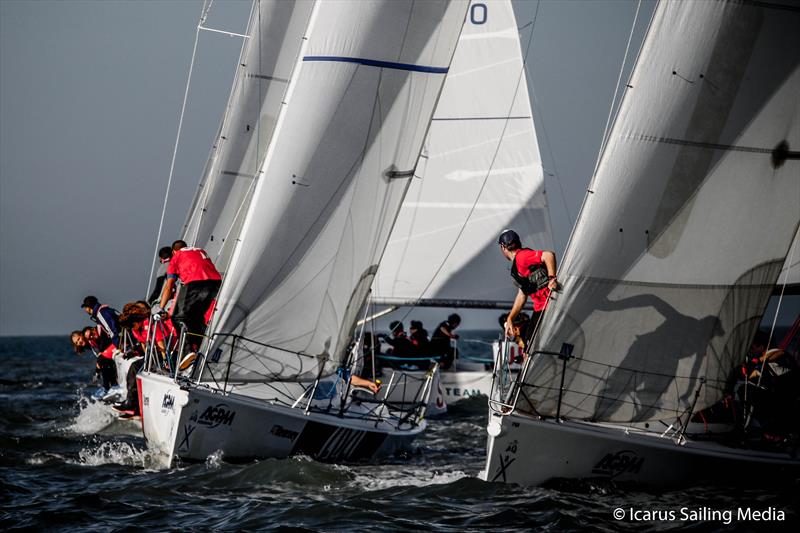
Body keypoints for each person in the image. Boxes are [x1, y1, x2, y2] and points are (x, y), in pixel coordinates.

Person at [156, 240, 222, 349]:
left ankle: (188, 351)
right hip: (216, 283)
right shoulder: (200, 251)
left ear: (173, 252)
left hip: (195, 282)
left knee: (178, 317)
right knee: (196, 317)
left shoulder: (176, 257)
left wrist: (161, 308)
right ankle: (203, 346)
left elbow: (169, 286)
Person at [498, 229, 558, 346]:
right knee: (528, 347)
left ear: (503, 247)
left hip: (548, 305)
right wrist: (510, 318)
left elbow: (548, 255)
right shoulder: (518, 264)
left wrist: (552, 278)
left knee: (531, 350)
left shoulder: (522, 257)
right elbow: (522, 295)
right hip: (540, 309)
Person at [71, 326, 118, 390]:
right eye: (76, 343)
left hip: (115, 344)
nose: (79, 342)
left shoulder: (90, 335)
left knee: (103, 362)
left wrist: (97, 371)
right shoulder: (89, 344)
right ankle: (108, 387)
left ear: (81, 335)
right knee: (103, 364)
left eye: (79, 339)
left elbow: (102, 351)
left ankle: (110, 387)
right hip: (110, 352)